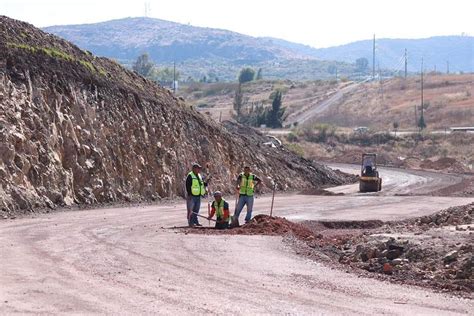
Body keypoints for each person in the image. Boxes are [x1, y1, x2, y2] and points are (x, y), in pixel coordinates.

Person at [185, 163, 206, 227]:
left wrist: (206, 184)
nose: (199, 170)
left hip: (198, 196)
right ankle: (190, 223)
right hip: (192, 196)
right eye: (198, 168)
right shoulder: (190, 176)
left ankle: (195, 221)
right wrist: (189, 193)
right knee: (191, 210)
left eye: (199, 168)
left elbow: (201, 184)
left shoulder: (199, 176)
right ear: (194, 169)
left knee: (196, 210)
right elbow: (188, 185)